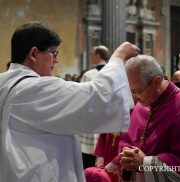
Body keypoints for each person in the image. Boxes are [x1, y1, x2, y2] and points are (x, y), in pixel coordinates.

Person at [0, 21, 139, 182]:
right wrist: (119, 56)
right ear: (33, 54)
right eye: (53, 52)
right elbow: (96, 98)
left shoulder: (3, 83)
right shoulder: (37, 88)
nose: (56, 60)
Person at [85, 55, 180, 182]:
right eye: (130, 91)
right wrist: (128, 155)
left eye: (137, 91)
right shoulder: (142, 105)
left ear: (157, 81)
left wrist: (145, 163)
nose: (134, 98)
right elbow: (129, 140)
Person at [79, 45, 111, 169]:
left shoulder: (88, 75)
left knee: (87, 163)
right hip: (108, 124)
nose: (91, 57)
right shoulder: (114, 75)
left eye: (92, 54)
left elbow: (81, 99)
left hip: (91, 124)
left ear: (98, 55)